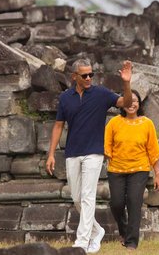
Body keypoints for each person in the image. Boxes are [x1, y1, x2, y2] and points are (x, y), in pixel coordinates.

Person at [46, 59, 133, 253]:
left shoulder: (101, 93)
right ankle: (97, 230)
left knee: (87, 196)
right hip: (72, 153)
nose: (88, 78)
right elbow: (58, 125)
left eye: (91, 74)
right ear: (74, 76)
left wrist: (126, 83)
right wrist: (51, 154)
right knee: (76, 197)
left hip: (94, 153)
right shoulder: (65, 98)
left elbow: (125, 103)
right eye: (84, 75)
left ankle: (82, 242)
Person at [104, 90, 159, 251]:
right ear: (123, 103)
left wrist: (158, 174)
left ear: (139, 104)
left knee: (134, 202)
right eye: (129, 101)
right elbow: (106, 145)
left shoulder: (147, 123)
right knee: (116, 203)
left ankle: (131, 242)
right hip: (116, 169)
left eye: (135, 101)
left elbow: (153, 151)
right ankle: (123, 231)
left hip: (139, 169)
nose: (132, 104)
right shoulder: (114, 123)